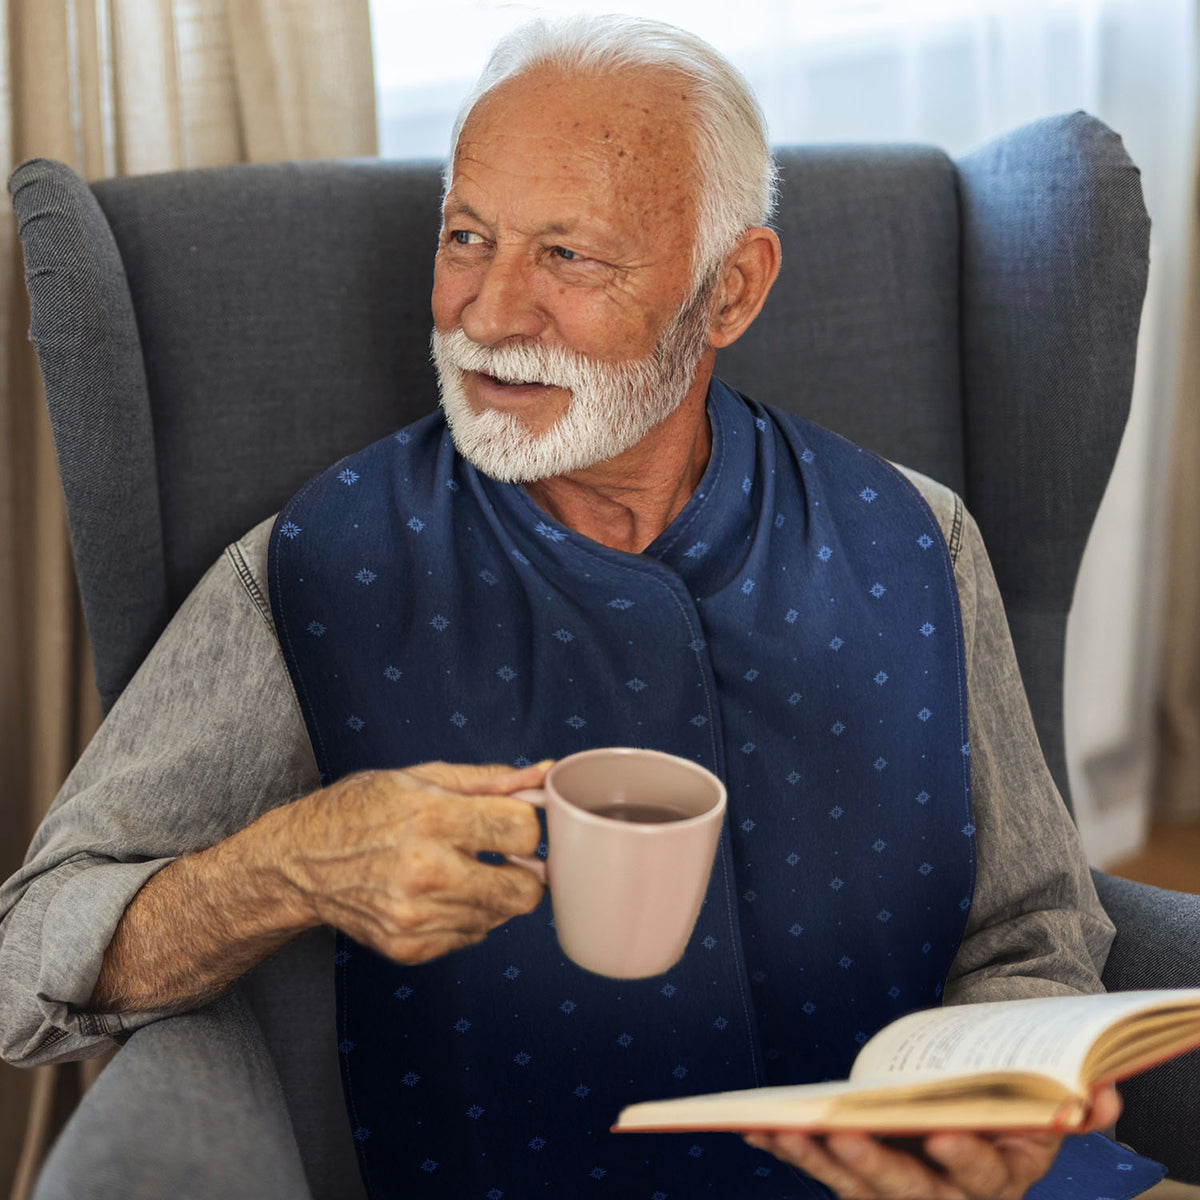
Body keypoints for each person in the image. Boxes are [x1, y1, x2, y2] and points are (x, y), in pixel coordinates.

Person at [0, 14, 1157, 1200]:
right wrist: (283, 871)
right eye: (467, 237)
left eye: (570, 257)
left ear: (732, 289)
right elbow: (29, 958)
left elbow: (1032, 931)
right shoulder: (317, 566)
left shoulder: (920, 539)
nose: (488, 316)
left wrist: (998, 1116)